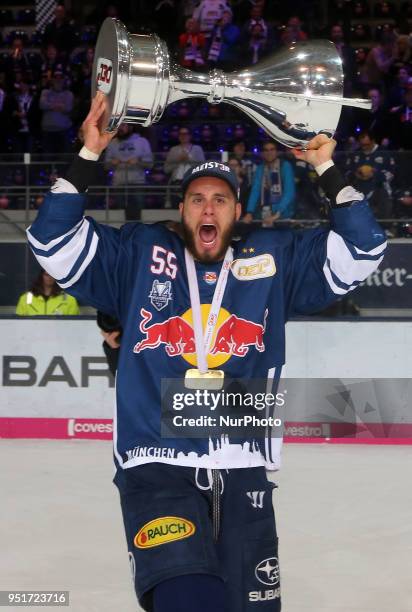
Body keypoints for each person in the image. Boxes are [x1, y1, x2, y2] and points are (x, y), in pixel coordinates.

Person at [26, 91, 387, 612]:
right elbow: (52, 242)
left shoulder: (272, 258)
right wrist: (87, 157)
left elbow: (362, 250)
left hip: (244, 471)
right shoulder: (139, 253)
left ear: (237, 211)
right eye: (197, 199)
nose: (208, 207)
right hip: (157, 467)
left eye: (220, 199)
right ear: (182, 209)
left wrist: (326, 167)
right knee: (190, 600)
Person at [105, 123, 153, 220]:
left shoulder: (142, 141)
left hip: (137, 183)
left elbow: (150, 164)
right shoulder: (112, 143)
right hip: (119, 183)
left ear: (130, 127)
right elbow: (106, 166)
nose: (120, 128)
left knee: (139, 213)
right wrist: (112, 163)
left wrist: (138, 162)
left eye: (123, 126)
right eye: (119, 126)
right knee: (120, 215)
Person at [344, 130, 395, 220]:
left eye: (366, 145)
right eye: (362, 144)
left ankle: (385, 228)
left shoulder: (384, 153)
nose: (363, 147)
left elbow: (391, 173)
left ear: (373, 141)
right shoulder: (355, 154)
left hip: (379, 188)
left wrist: (374, 174)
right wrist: (356, 174)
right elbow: (347, 172)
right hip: (358, 189)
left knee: (383, 200)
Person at [243, 140, 296, 225]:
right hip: (264, 214)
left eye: (272, 149)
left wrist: (277, 214)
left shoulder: (285, 166)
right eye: (266, 150)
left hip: (283, 216)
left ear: (277, 152)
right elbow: (255, 191)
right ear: (262, 153)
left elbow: (289, 192)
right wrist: (249, 212)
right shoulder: (261, 168)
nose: (269, 152)